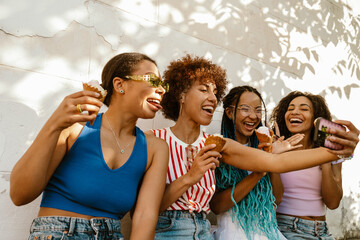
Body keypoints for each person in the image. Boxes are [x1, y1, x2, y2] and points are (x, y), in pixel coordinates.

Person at [151, 54, 358, 240]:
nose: (213, 98)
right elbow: (146, 210)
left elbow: (275, 164)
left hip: (211, 229)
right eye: (204, 90)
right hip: (170, 229)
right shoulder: (155, 140)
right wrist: (191, 176)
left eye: (215, 92)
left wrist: (336, 150)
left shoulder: (219, 144)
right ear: (180, 95)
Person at [10, 52, 169, 240]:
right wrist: (53, 126)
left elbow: (145, 218)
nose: (162, 90)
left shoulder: (156, 148)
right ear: (119, 85)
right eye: (153, 80)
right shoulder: (75, 126)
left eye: (163, 85)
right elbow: (19, 195)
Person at [211, 86, 302, 240]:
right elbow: (216, 206)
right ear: (229, 113)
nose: (253, 116)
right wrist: (259, 172)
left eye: (258, 110)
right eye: (245, 109)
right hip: (233, 233)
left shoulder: (265, 147)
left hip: (268, 232)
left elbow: (277, 198)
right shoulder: (220, 149)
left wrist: (272, 159)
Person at [270, 91, 359, 240]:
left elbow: (333, 202)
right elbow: (273, 198)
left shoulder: (329, 152)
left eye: (304, 109)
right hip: (286, 228)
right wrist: (274, 155)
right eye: (290, 108)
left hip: (323, 232)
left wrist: (323, 158)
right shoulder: (276, 149)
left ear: (316, 118)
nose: (295, 112)